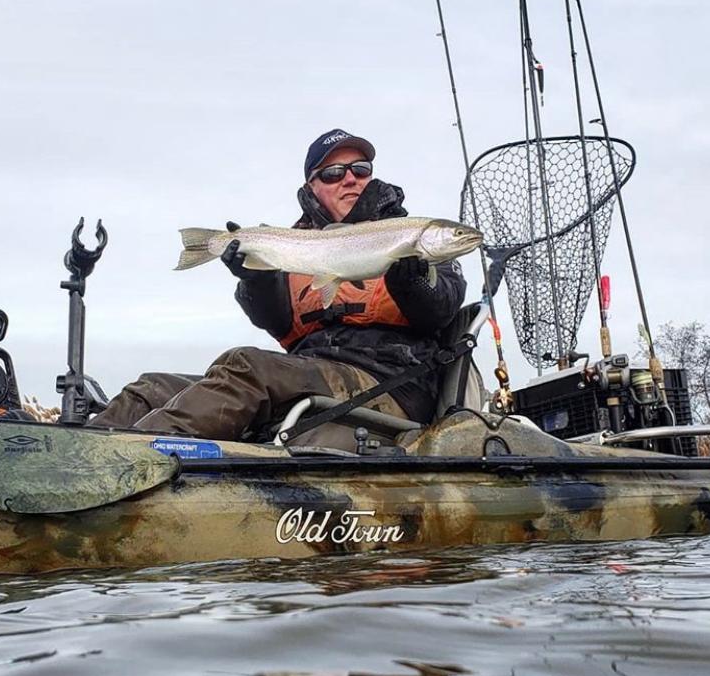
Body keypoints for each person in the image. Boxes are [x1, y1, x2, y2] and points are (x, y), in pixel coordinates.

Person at [89, 129, 467, 443]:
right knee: (149, 388)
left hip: (388, 383)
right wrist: (258, 280)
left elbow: (443, 307)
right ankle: (72, 449)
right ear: (312, 185)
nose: (350, 178)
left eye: (360, 169)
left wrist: (414, 282)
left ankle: (126, 460)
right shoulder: (295, 244)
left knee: (247, 366)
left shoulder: (409, 232)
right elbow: (277, 321)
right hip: (307, 373)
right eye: (334, 173)